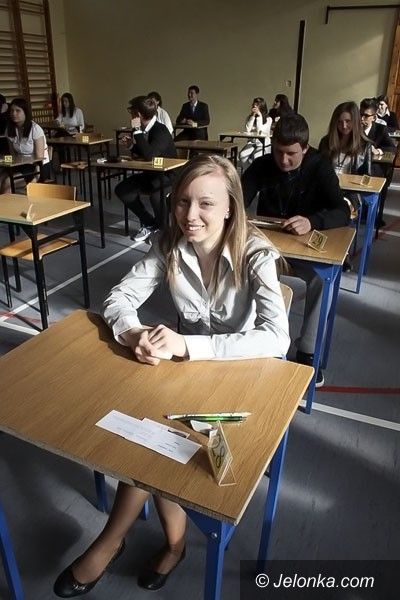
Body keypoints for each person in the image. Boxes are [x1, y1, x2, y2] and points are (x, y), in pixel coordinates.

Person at [53, 154, 290, 598]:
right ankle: (173, 544)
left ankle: (112, 542)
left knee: (156, 440)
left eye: (205, 203)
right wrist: (134, 333)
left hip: (241, 379)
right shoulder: (168, 244)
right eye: (182, 201)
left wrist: (188, 346)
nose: (190, 215)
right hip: (187, 376)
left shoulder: (256, 253)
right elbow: (118, 298)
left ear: (230, 207)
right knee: (151, 433)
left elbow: (276, 338)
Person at [242, 114, 350, 386]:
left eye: (291, 154)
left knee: (321, 281)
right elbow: (237, 198)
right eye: (278, 151)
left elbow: (342, 210)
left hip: (304, 249)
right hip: (268, 248)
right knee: (240, 265)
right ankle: (249, 337)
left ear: (305, 148)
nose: (283, 160)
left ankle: (307, 351)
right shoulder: (262, 164)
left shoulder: (320, 166)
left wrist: (312, 221)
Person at [115, 95, 177, 242]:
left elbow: (150, 155)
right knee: (123, 189)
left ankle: (163, 231)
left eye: (131, 112)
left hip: (169, 176)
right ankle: (149, 222)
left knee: (156, 195)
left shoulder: (161, 130)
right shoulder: (145, 129)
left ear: (138, 115)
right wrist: (132, 146)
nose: (130, 115)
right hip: (152, 174)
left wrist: (136, 131)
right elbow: (146, 151)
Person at [0, 97, 50, 194]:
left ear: (25, 112)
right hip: (21, 164)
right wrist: (3, 160)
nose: (13, 113)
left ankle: (10, 204)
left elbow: (39, 158)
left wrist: (35, 178)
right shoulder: (9, 129)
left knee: (7, 182)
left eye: (18, 111)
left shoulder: (35, 129)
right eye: (12, 110)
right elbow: (13, 155)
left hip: (37, 166)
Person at [318, 101, 372, 176]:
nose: (344, 126)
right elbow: (319, 170)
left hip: (351, 184)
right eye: (339, 122)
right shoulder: (325, 142)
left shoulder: (365, 145)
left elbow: (367, 176)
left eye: (348, 121)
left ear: (355, 121)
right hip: (329, 183)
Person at [239, 97, 273, 171]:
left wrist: (259, 116)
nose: (254, 107)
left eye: (257, 105)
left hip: (263, 143)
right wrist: (253, 116)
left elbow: (260, 131)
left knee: (256, 157)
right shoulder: (250, 117)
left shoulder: (268, 119)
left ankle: (257, 174)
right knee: (242, 155)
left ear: (261, 107)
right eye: (254, 105)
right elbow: (248, 129)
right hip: (252, 142)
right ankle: (248, 171)